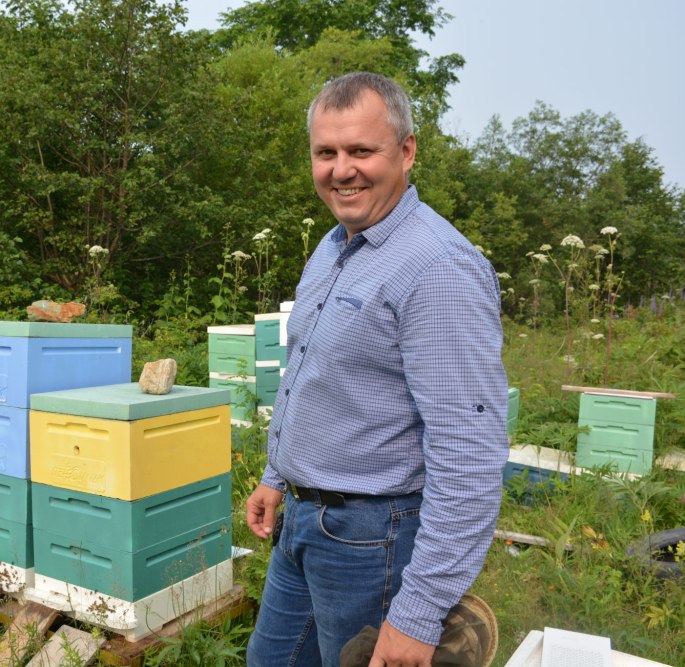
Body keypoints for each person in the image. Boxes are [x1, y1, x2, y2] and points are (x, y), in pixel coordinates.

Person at [245, 71, 508, 667]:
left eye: (362, 150)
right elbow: (312, 376)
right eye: (326, 153)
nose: (342, 170)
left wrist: (416, 615)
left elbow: (467, 452)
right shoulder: (336, 244)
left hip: (373, 541)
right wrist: (276, 475)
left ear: (407, 150)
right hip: (303, 525)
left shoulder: (438, 268)